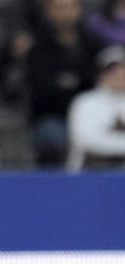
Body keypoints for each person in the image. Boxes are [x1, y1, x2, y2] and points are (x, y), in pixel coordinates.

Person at [23, 0, 103, 167]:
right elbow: (41, 90)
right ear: (48, 12)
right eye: (58, 8)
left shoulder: (94, 45)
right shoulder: (38, 49)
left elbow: (100, 83)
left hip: (95, 117)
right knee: (52, 137)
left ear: (78, 10)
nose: (64, 14)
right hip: (54, 117)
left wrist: (69, 84)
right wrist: (79, 84)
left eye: (68, 7)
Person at [66, 44, 125, 171]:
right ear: (102, 74)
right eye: (114, 72)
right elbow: (87, 140)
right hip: (90, 174)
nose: (120, 76)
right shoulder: (85, 102)